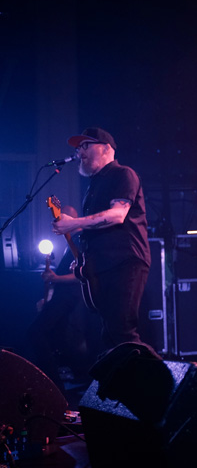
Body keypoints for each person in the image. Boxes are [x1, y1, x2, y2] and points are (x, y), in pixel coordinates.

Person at [51, 127, 152, 353]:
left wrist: (74, 223)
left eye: (85, 145)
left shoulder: (123, 174)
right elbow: (96, 230)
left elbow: (117, 215)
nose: (79, 152)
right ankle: (122, 376)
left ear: (106, 148)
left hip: (125, 261)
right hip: (103, 265)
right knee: (109, 334)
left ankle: (157, 374)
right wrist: (84, 259)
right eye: (78, 148)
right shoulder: (94, 185)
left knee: (123, 331)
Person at [27, 205, 93, 390]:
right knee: (59, 338)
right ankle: (73, 377)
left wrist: (56, 278)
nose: (55, 225)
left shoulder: (79, 240)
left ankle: (54, 383)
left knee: (36, 332)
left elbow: (82, 273)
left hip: (69, 297)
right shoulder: (71, 240)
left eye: (58, 219)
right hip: (63, 297)